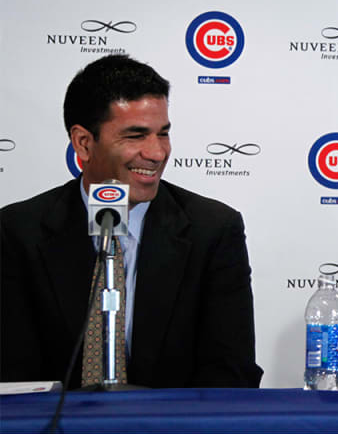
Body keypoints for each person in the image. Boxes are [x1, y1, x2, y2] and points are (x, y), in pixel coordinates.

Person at [1, 54, 262, 389]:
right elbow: (11, 377)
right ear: (84, 142)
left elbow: (231, 376)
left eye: (163, 134)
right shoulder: (17, 232)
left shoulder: (212, 230)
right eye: (136, 136)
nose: (156, 153)